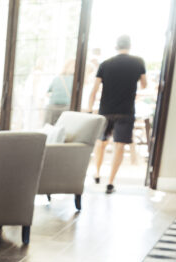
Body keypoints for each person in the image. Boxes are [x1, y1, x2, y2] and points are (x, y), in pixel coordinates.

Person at [88, 35, 146, 194]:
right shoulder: (138, 62)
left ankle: (97, 173)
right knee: (119, 146)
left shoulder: (105, 64)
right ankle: (110, 182)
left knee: (101, 142)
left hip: (106, 109)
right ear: (130, 46)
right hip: (126, 110)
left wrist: (88, 108)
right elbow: (144, 84)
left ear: (116, 46)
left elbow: (94, 90)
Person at [44, 60, 75, 125]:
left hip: (52, 107)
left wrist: (55, 96)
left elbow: (48, 93)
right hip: (66, 107)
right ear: (67, 67)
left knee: (49, 127)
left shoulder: (57, 78)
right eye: (73, 66)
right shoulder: (74, 79)